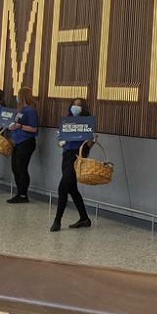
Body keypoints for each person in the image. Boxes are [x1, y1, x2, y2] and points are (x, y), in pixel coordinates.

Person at [51, 98, 94, 231]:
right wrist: (61, 141)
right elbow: (60, 142)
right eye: (74, 105)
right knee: (71, 188)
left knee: (63, 187)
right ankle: (84, 218)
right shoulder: (67, 121)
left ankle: (57, 220)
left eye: (79, 105)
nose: (76, 107)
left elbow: (89, 145)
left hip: (77, 156)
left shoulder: (86, 123)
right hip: (66, 155)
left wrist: (92, 139)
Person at [6, 87, 39, 203]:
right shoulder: (20, 110)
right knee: (15, 167)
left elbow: (34, 128)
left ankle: (23, 194)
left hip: (26, 142)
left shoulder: (30, 110)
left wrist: (20, 126)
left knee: (21, 168)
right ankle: (19, 192)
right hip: (17, 141)